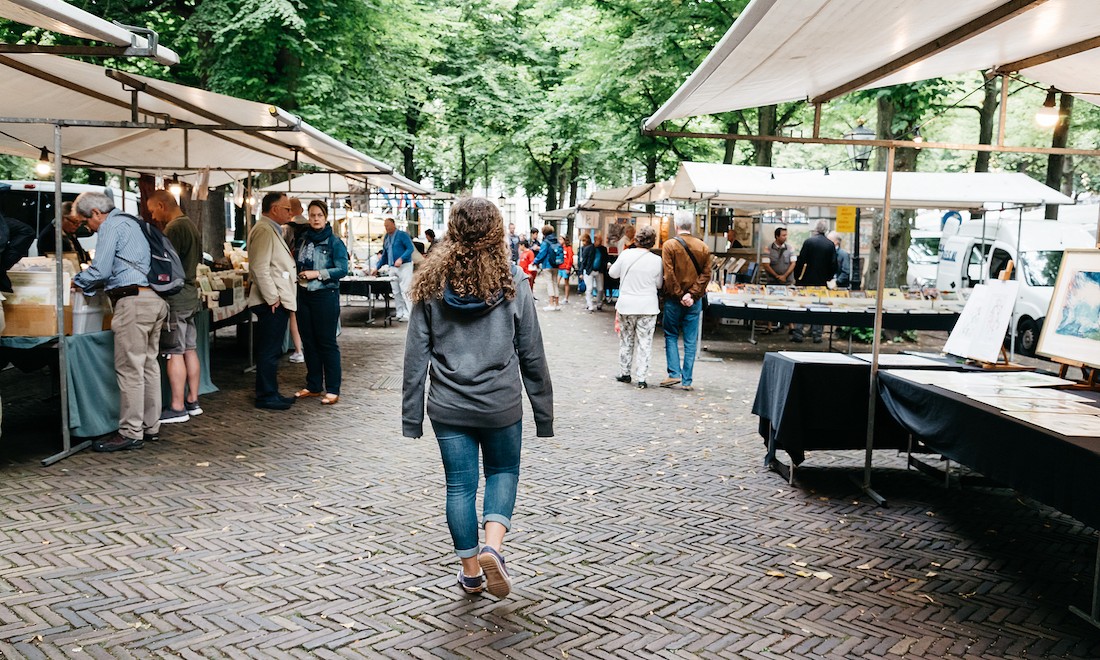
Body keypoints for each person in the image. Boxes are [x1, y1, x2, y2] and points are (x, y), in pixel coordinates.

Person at [402, 197, 553, 599]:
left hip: (448, 406)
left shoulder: (430, 282)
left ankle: (471, 572)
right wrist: (543, 412)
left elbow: (416, 353)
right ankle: (494, 548)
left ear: (453, 230)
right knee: (503, 472)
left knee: (459, 487)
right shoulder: (513, 281)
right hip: (500, 403)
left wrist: (411, 416)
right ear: (496, 231)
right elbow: (531, 351)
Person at [71, 191, 169, 451]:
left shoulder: (111, 226)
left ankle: (130, 431)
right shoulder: (132, 221)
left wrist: (78, 281)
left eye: (85, 222)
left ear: (95, 213)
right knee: (148, 365)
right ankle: (150, 426)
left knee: (130, 369)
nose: (88, 228)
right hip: (154, 299)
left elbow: (100, 269)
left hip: (133, 302)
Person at [146, 190, 203, 424]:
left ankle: (177, 406)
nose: (153, 217)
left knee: (174, 352)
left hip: (176, 298)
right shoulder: (190, 225)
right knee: (189, 348)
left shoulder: (173, 229)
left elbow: (164, 266)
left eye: (152, 211)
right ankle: (193, 400)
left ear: (161, 205)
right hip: (191, 294)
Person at [293, 200, 348, 406]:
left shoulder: (334, 242)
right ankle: (314, 385)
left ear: (325, 217)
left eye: (319, 215)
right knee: (308, 341)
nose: (315, 218)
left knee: (326, 343)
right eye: (312, 215)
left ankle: (333, 388)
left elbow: (342, 269)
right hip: (303, 295)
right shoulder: (304, 239)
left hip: (325, 295)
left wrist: (318, 273)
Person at [247, 192, 298, 410]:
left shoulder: (270, 229)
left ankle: (271, 392)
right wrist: (272, 297)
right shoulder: (264, 230)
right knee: (269, 350)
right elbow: (260, 267)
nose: (290, 212)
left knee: (273, 349)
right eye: (287, 209)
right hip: (272, 302)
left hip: (276, 300)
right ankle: (266, 395)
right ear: (274, 209)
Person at [660, 217, 711, 391]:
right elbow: (706, 275)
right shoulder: (703, 246)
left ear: (676, 226)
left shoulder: (669, 246)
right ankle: (687, 380)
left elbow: (668, 274)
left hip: (674, 300)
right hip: (694, 301)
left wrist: (680, 295)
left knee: (671, 334)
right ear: (692, 226)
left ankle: (674, 373)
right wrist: (692, 294)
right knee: (690, 340)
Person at [608, 226, 663, 389]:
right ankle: (642, 377)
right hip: (648, 306)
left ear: (636, 239)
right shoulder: (656, 260)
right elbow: (659, 284)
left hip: (627, 305)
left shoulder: (626, 255)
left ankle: (625, 372)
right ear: (652, 242)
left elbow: (613, 273)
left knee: (626, 340)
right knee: (645, 342)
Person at [793, 219, 838, 344]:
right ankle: (817, 334)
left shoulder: (808, 242)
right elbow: (834, 264)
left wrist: (797, 277)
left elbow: (801, 261)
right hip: (821, 281)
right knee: (819, 307)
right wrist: (828, 277)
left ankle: (798, 332)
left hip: (806, 280)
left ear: (816, 229)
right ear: (826, 230)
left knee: (802, 306)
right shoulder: (830, 245)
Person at [372, 217, 414, 322]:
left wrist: (401, 258)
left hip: (404, 266)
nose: (386, 228)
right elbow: (385, 254)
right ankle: (400, 312)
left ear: (393, 224)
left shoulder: (402, 235)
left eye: (388, 225)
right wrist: (377, 267)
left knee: (405, 290)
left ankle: (409, 313)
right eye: (385, 226)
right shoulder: (386, 237)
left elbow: (410, 248)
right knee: (396, 291)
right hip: (392, 267)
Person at [285, 198, 307, 364]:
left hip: (291, 275)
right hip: (310, 274)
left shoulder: (286, 229)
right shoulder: (312, 227)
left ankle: (298, 350)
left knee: (293, 312)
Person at [533, 225, 561, 311]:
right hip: (556, 265)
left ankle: (551, 304)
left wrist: (535, 262)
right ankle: (557, 304)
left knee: (549, 284)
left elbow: (542, 253)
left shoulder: (546, 242)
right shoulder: (556, 241)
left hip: (547, 265)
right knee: (555, 283)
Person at [578, 233, 596, 311]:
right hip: (594, 269)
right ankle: (592, 303)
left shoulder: (585, 248)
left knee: (589, 288)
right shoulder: (593, 247)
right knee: (593, 287)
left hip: (588, 270)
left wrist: (581, 272)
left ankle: (590, 304)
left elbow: (583, 261)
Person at [593, 233, 609, 308]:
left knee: (600, 288)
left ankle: (599, 303)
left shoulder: (603, 249)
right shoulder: (591, 248)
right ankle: (592, 302)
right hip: (592, 270)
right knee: (592, 287)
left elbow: (605, 259)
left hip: (600, 270)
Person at [558, 236, 573, 304]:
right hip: (559, 267)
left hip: (565, 268)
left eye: (561, 239)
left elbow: (570, 258)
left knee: (566, 283)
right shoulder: (560, 247)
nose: (559, 240)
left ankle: (566, 298)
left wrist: (568, 267)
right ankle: (556, 296)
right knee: (556, 282)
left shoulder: (568, 248)